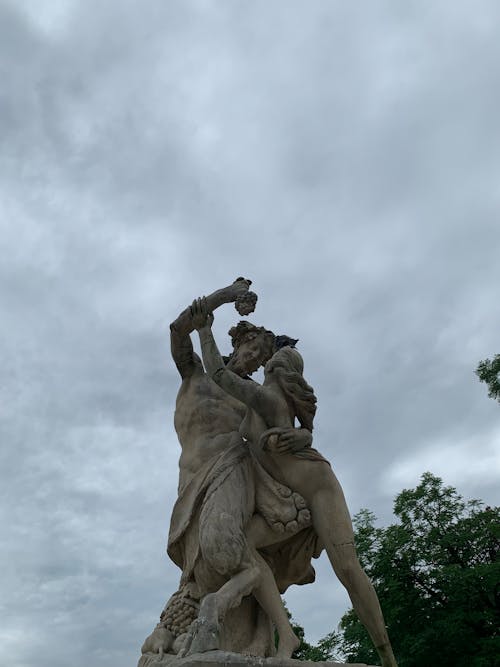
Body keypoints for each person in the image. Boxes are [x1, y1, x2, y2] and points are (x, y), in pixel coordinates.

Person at [193, 298, 399, 667]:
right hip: (288, 497)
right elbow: (296, 426)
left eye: (269, 359)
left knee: (349, 570)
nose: (264, 361)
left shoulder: (268, 397)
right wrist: (305, 433)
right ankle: (285, 635)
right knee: (246, 552)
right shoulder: (272, 401)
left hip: (318, 490)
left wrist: (205, 329)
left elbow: (220, 376)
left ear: (277, 369)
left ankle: (387, 656)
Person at [163, 279, 312, 658]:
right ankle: (267, 632)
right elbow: (178, 329)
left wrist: (304, 438)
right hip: (191, 482)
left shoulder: (250, 397)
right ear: (239, 342)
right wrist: (227, 296)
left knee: (226, 546)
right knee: (211, 562)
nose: (255, 359)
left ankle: (222, 620)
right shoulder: (194, 372)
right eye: (253, 349)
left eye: (263, 357)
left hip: (235, 470)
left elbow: (283, 429)